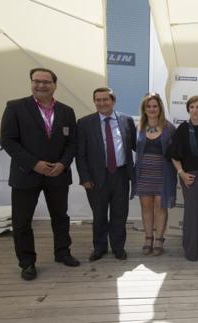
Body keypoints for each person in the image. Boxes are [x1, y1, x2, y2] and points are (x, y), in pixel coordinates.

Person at [0, 67, 80, 280]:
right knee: (22, 221)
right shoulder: (15, 107)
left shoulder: (67, 111)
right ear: (31, 83)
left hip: (57, 174)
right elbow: (8, 140)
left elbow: (72, 143)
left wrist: (63, 164)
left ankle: (63, 252)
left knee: (60, 217)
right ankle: (27, 263)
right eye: (37, 81)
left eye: (46, 82)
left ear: (54, 85)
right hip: (26, 173)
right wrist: (34, 163)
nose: (41, 85)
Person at [76, 87, 136, 262]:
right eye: (98, 100)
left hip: (121, 175)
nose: (101, 103)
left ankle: (118, 248)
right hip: (96, 178)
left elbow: (136, 145)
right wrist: (85, 178)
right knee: (99, 215)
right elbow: (80, 154)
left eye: (105, 100)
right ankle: (100, 248)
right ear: (94, 101)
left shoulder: (126, 120)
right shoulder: (84, 123)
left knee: (120, 214)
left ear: (113, 101)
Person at [168, 96, 198, 261]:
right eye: (192, 107)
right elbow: (173, 155)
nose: (195, 110)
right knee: (192, 213)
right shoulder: (182, 129)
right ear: (188, 109)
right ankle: (190, 250)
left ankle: (197, 243)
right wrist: (181, 174)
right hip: (189, 175)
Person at [132, 93, 177, 256]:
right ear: (144, 109)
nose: (151, 109)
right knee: (146, 207)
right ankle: (148, 238)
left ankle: (159, 238)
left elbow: (175, 152)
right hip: (143, 172)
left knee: (160, 206)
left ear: (160, 108)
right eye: (148, 106)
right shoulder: (139, 127)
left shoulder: (169, 128)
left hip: (163, 173)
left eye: (154, 106)